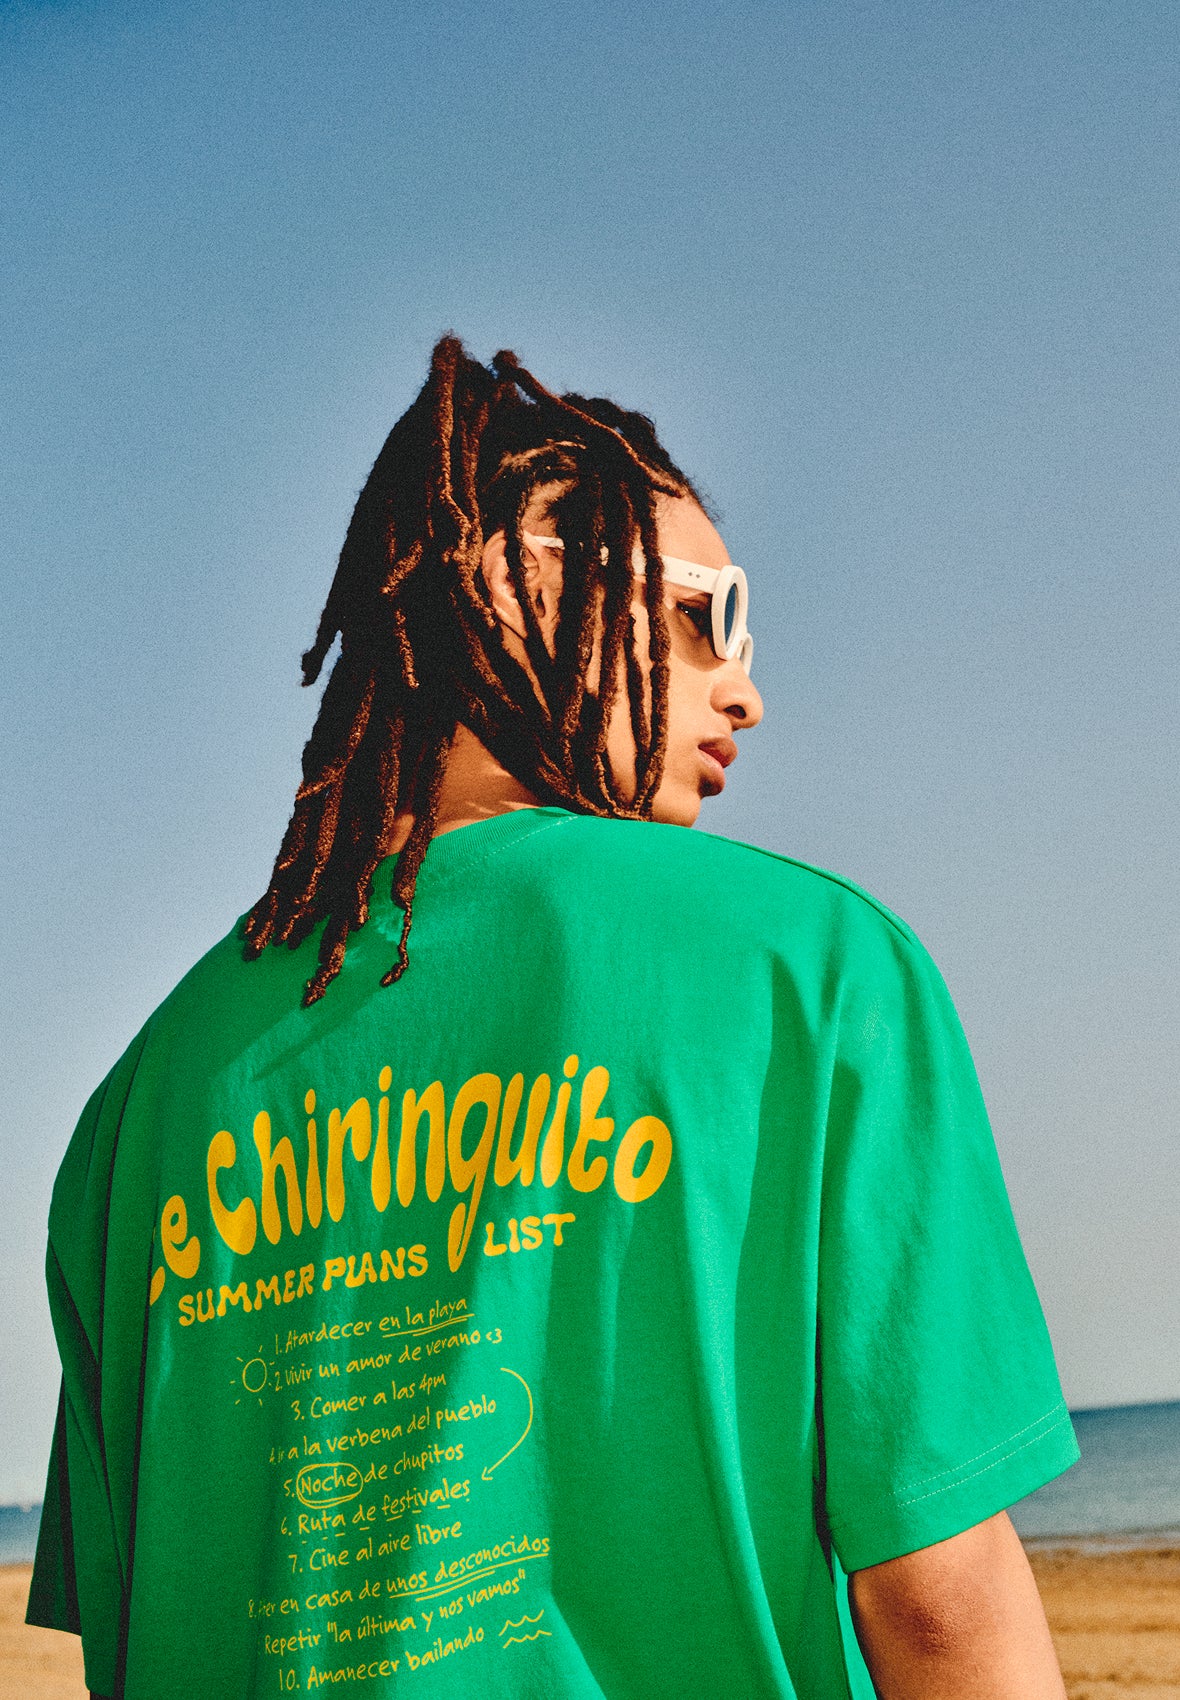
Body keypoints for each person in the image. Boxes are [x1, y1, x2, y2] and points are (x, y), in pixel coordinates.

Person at [28, 336, 1078, 1698]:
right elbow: (940, 1596)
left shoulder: (136, 1110)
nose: (746, 687)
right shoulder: (813, 970)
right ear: (520, 578)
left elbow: (133, 1646)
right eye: (709, 614)